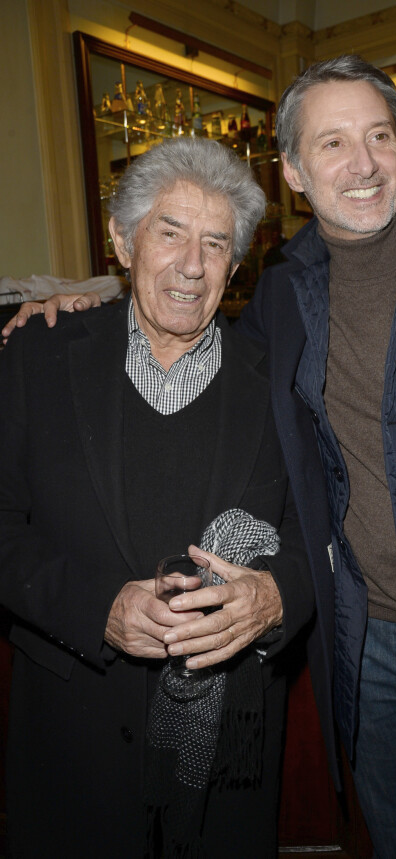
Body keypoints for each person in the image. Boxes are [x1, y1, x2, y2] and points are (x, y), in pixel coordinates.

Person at [5, 55, 396, 858]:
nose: (193, 262)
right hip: (334, 653)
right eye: (334, 141)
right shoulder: (271, 301)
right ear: (295, 171)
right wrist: (78, 296)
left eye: (378, 136)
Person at [0, 136, 314, 859]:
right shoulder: (37, 356)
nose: (191, 266)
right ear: (121, 239)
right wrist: (95, 608)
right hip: (72, 744)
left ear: (235, 264)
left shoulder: (280, 384)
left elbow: (317, 535)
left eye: (215, 243)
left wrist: (275, 598)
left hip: (228, 762)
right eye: (168, 232)